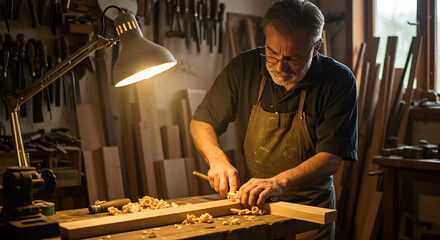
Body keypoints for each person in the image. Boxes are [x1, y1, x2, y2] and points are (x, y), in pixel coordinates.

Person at [190, 0, 358, 239]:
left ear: (316, 47)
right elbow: (202, 121)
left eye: (293, 58)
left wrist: (280, 182)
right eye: (271, 53)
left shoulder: (338, 80)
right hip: (254, 207)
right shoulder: (244, 67)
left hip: (309, 213)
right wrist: (217, 160)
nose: (279, 67)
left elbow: (331, 158)